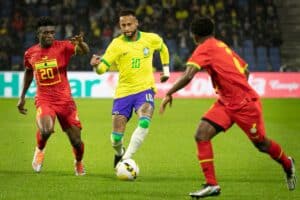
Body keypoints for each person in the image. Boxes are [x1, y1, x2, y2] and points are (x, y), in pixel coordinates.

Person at [159, 16, 296, 198]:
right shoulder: (220, 45)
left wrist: (169, 92)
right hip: (226, 103)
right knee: (201, 135)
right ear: (212, 32)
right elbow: (245, 71)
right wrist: (231, 89)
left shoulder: (204, 48)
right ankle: (212, 185)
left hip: (245, 106)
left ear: (194, 36)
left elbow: (189, 74)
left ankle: (288, 164)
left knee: (261, 144)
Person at [90, 9, 170, 168]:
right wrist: (96, 66)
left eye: (129, 24)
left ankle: (125, 159)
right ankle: (119, 152)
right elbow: (102, 70)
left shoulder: (150, 39)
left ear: (136, 23)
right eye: (123, 25)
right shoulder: (116, 44)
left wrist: (166, 70)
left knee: (145, 121)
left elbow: (163, 48)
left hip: (145, 89)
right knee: (116, 138)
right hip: (124, 93)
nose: (126, 28)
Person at [17, 16, 89, 176]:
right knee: (46, 130)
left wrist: (81, 43)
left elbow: (84, 51)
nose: (50, 35)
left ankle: (78, 162)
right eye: (45, 33)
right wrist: (21, 97)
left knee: (76, 141)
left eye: (52, 32)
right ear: (38, 34)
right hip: (44, 99)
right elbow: (29, 72)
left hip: (65, 101)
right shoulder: (30, 53)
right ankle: (40, 150)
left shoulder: (63, 47)